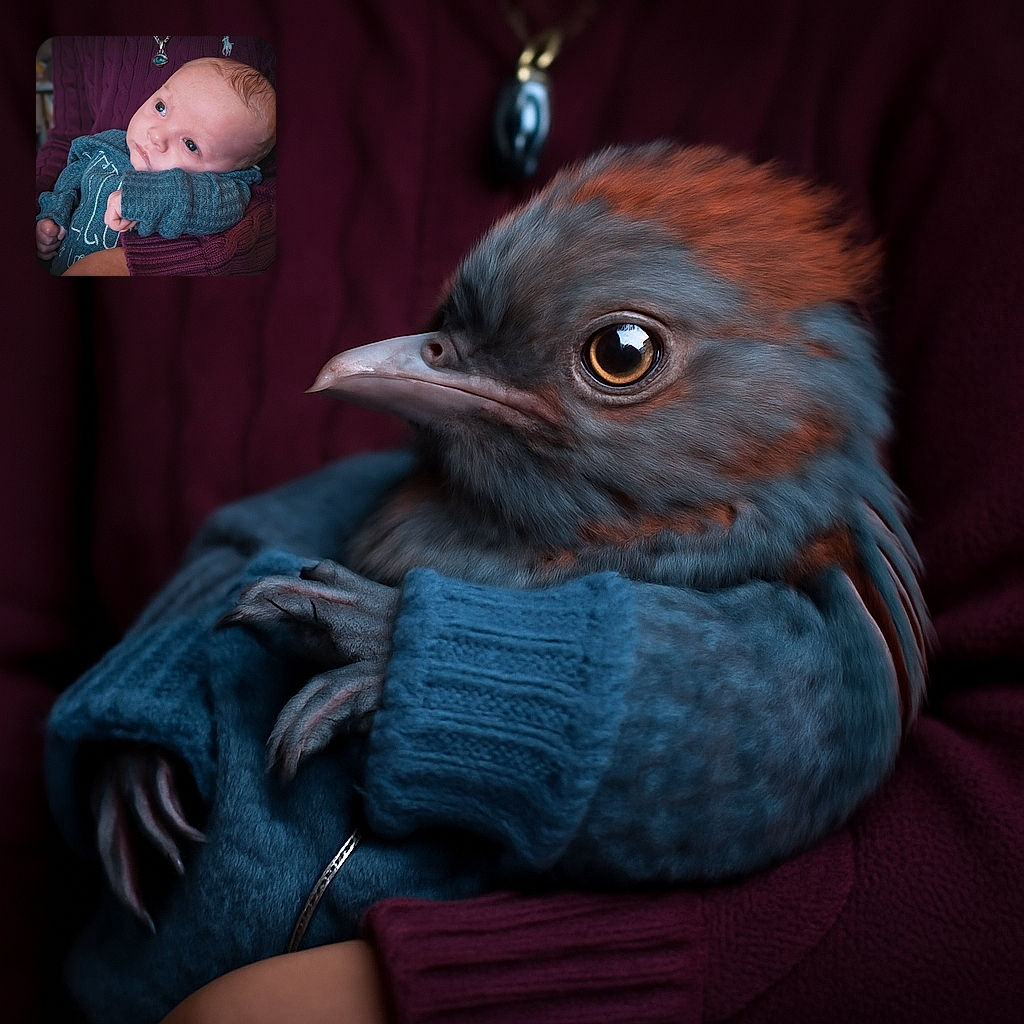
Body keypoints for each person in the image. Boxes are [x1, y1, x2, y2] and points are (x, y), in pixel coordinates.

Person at [4, 3, 1022, 1022]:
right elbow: (193, 584)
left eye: (621, 358)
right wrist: (144, 718)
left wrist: (394, 987)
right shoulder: (103, 51)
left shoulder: (796, 598)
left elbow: (816, 735)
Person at [36, 57, 276, 276]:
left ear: (229, 172)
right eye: (161, 108)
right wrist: (53, 215)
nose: (156, 136)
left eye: (191, 145)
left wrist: (145, 197)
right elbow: (70, 178)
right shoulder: (105, 143)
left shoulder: (221, 192)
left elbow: (214, 203)